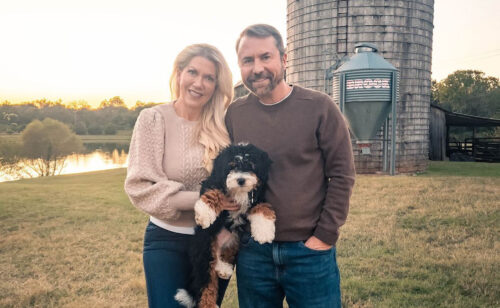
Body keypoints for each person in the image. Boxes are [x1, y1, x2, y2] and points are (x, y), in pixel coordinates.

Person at [225, 24, 356, 308]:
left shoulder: (319, 107)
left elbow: (342, 175)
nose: (257, 68)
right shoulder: (235, 113)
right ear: (240, 66)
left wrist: (324, 236)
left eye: (265, 57)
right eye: (248, 61)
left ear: (284, 59)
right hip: (253, 253)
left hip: (309, 253)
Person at [125, 43, 237, 308]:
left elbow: (236, 187)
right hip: (167, 241)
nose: (199, 83)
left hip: (216, 242)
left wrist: (226, 228)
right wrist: (206, 199)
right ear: (178, 74)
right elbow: (140, 187)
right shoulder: (153, 119)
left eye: (209, 78)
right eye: (192, 72)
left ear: (217, 85)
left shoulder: (224, 126)